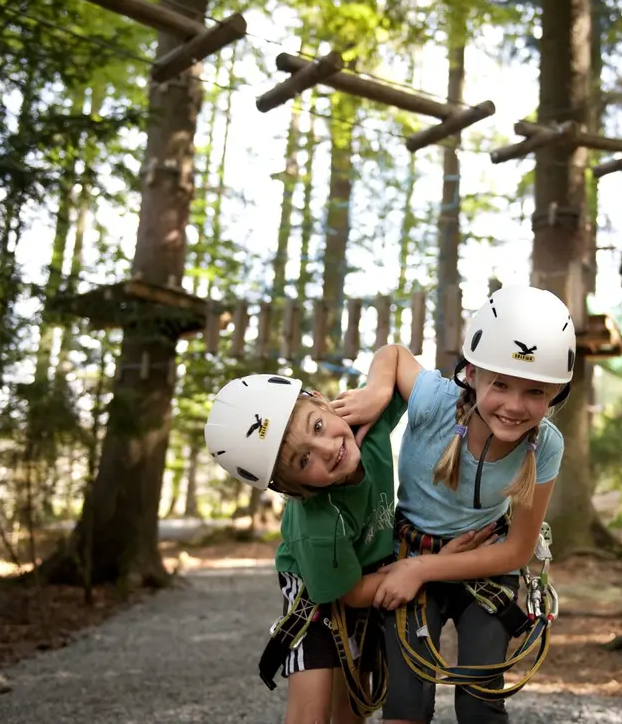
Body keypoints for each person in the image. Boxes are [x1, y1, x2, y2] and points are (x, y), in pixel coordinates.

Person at [330, 285, 573, 724]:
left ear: (556, 391)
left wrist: (421, 569)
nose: (515, 406)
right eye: (500, 384)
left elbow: (518, 550)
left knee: (480, 703)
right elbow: (395, 354)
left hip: (482, 565)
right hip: (413, 548)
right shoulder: (435, 404)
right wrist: (377, 391)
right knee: (407, 704)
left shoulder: (546, 446)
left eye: (535, 392)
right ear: (472, 373)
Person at [204, 373, 495, 724]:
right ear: (291, 488)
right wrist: (427, 567)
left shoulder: (363, 430)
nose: (328, 449)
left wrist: (377, 389)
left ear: (323, 402)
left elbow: (397, 360)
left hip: (370, 568)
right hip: (317, 586)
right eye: (303, 460)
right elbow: (351, 593)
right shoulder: (318, 527)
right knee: (310, 710)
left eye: (317, 426)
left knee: (354, 700)